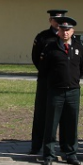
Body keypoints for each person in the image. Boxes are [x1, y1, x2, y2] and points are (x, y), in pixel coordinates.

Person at [38, 17, 83, 165]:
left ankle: (71, 153)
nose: (65, 32)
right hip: (56, 91)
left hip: (73, 91)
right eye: (62, 29)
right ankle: (48, 154)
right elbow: (44, 69)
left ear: (72, 31)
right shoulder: (50, 48)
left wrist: (72, 80)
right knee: (51, 123)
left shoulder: (79, 47)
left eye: (68, 30)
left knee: (71, 124)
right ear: (58, 31)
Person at [29, 9, 67, 154]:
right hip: (46, 80)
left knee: (64, 115)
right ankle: (36, 145)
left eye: (60, 21)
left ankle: (65, 146)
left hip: (63, 82)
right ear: (50, 21)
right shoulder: (42, 37)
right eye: (55, 20)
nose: (57, 23)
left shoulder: (68, 36)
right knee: (41, 113)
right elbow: (35, 57)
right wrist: (48, 72)